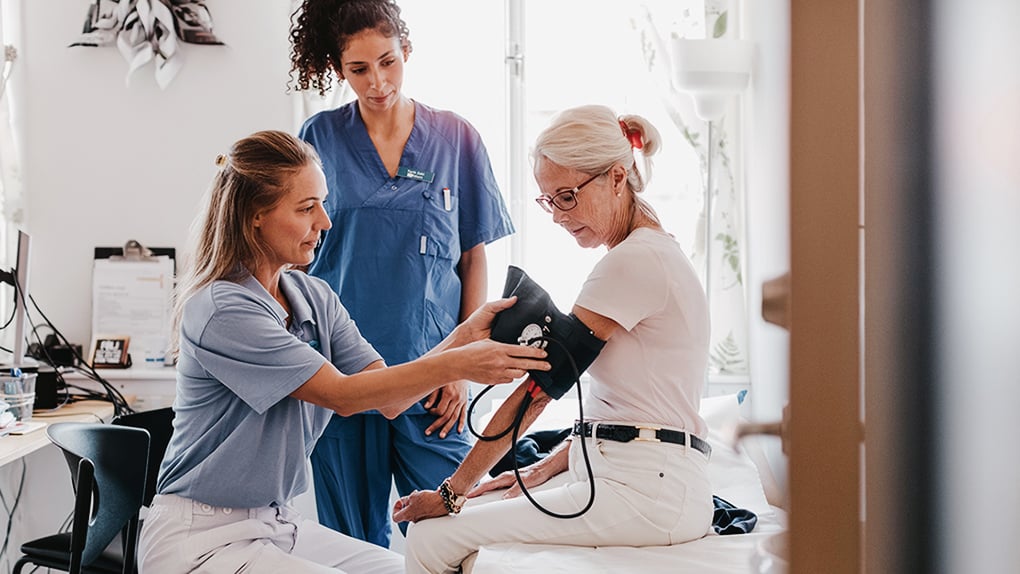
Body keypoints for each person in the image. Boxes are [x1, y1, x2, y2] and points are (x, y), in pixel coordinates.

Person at [136, 130, 547, 573]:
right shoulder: (222, 309)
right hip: (200, 537)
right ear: (255, 216)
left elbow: (389, 400)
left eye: (323, 203)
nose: (325, 222)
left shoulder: (314, 296)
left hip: (276, 522)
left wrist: (464, 336)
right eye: (306, 208)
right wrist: (459, 363)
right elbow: (344, 395)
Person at [391, 104, 714, 573]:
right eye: (548, 201)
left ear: (617, 178)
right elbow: (632, 406)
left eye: (567, 196)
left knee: (431, 535)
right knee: (473, 511)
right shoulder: (649, 253)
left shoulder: (632, 262)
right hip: (639, 480)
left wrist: (452, 492)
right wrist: (549, 466)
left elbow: (539, 392)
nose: (559, 216)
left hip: (648, 491)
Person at [288, 0, 515, 548]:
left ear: (406, 52)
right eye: (358, 70)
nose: (377, 82)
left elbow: (472, 256)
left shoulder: (457, 137)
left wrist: (458, 368)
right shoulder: (318, 135)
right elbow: (297, 252)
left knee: (454, 535)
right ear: (338, 69)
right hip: (344, 376)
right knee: (354, 544)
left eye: (387, 62)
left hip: (435, 377)